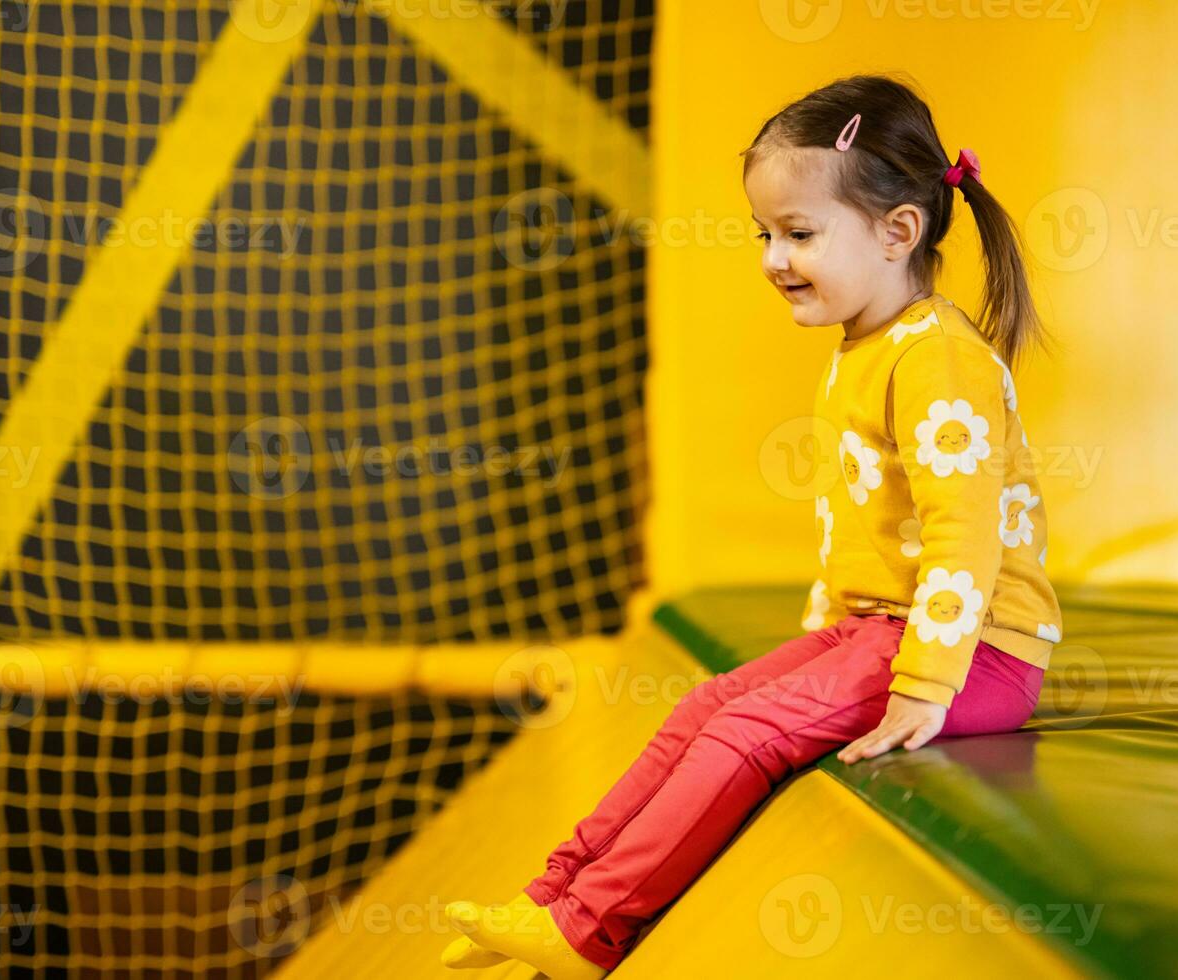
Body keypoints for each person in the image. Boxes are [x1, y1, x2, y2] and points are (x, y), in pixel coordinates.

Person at [439, 73, 1063, 978]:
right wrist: (825, 634)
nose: (774, 257)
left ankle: (588, 930)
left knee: (750, 729)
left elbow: (964, 538)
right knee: (707, 705)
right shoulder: (867, 346)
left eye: (799, 234)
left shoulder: (939, 363)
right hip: (886, 627)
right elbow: (858, 517)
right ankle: (552, 895)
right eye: (764, 233)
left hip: (977, 652)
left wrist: (926, 686)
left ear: (898, 232)